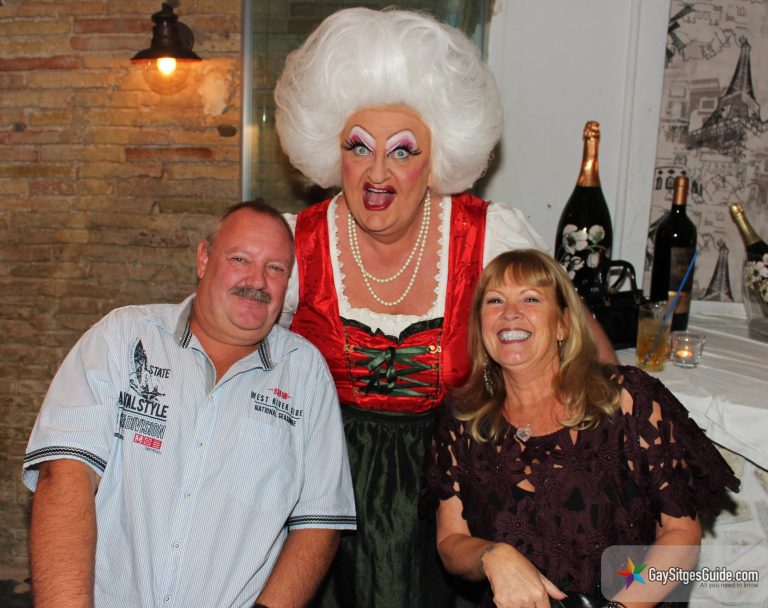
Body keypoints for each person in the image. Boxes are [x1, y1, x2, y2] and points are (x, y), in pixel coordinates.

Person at [273, 7, 616, 607]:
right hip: (324, 499)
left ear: (438, 159)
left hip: (459, 498)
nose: (378, 172)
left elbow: (589, 358)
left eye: (403, 151)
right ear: (333, 152)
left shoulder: (489, 237)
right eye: (359, 147)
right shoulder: (293, 246)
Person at [22, 201, 356, 608]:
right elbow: (64, 478)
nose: (257, 280)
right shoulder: (122, 338)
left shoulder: (306, 373)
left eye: (275, 268)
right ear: (203, 258)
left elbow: (318, 524)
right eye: (240, 259)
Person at [422, 249, 740, 608]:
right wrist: (492, 555)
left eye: (531, 298)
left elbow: (681, 535)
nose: (510, 312)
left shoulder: (625, 399)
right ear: (480, 325)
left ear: (562, 323)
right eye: (495, 301)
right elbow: (451, 543)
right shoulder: (462, 418)